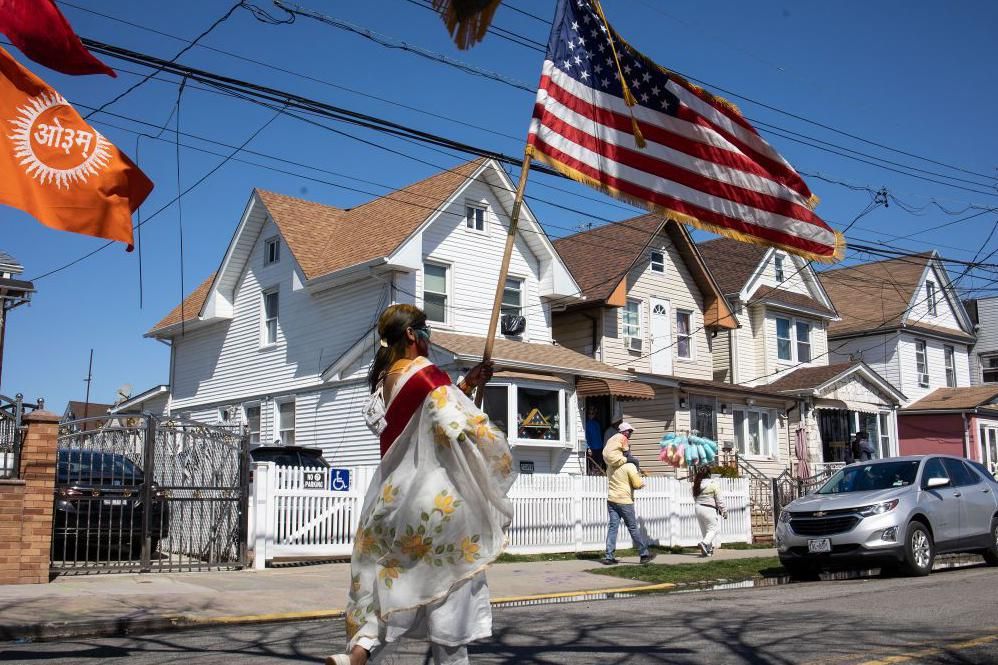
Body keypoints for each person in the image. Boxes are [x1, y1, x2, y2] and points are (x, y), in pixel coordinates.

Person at [325, 304, 516, 665]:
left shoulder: (385, 383)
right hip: (435, 503)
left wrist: (466, 384)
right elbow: (453, 423)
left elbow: (421, 414)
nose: (428, 334)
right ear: (412, 334)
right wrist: (492, 445)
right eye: (424, 328)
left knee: (398, 587)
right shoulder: (428, 374)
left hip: (391, 503)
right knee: (450, 594)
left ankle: (360, 651)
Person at [601, 423, 656, 566]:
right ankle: (644, 554)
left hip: (611, 499)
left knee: (613, 527)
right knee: (632, 527)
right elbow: (637, 484)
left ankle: (609, 556)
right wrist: (642, 481)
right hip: (625, 500)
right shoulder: (630, 466)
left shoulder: (610, 467)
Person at [692, 466, 727, 557]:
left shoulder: (696, 485)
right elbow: (720, 500)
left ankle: (708, 550)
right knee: (714, 529)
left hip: (698, 508)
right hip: (709, 509)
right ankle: (704, 543)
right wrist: (724, 511)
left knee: (705, 531)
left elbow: (695, 498)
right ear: (709, 474)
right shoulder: (713, 485)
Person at [584, 405, 606, 474]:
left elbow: (599, 436)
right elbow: (586, 437)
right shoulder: (586, 424)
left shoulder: (597, 424)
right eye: (589, 413)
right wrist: (588, 447)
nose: (591, 415)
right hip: (592, 448)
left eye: (592, 413)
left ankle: (599, 474)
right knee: (592, 464)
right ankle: (593, 475)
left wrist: (603, 446)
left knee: (599, 463)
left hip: (599, 447)